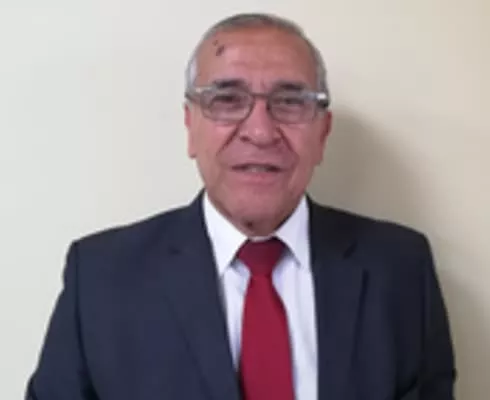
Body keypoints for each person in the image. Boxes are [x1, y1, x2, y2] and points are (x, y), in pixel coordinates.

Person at [26, 13, 456, 400]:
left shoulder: (401, 269)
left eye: (290, 101)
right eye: (227, 99)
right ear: (190, 126)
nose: (260, 131)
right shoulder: (101, 277)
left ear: (322, 133)